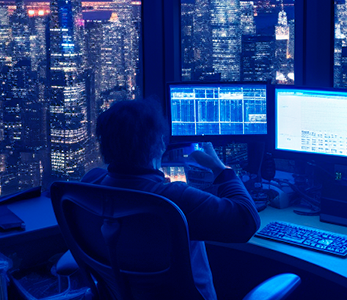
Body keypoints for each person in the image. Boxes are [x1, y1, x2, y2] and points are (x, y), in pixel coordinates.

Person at [81, 99, 261, 300]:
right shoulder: (173, 199)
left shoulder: (89, 186)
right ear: (159, 144)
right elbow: (247, 220)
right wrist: (221, 169)